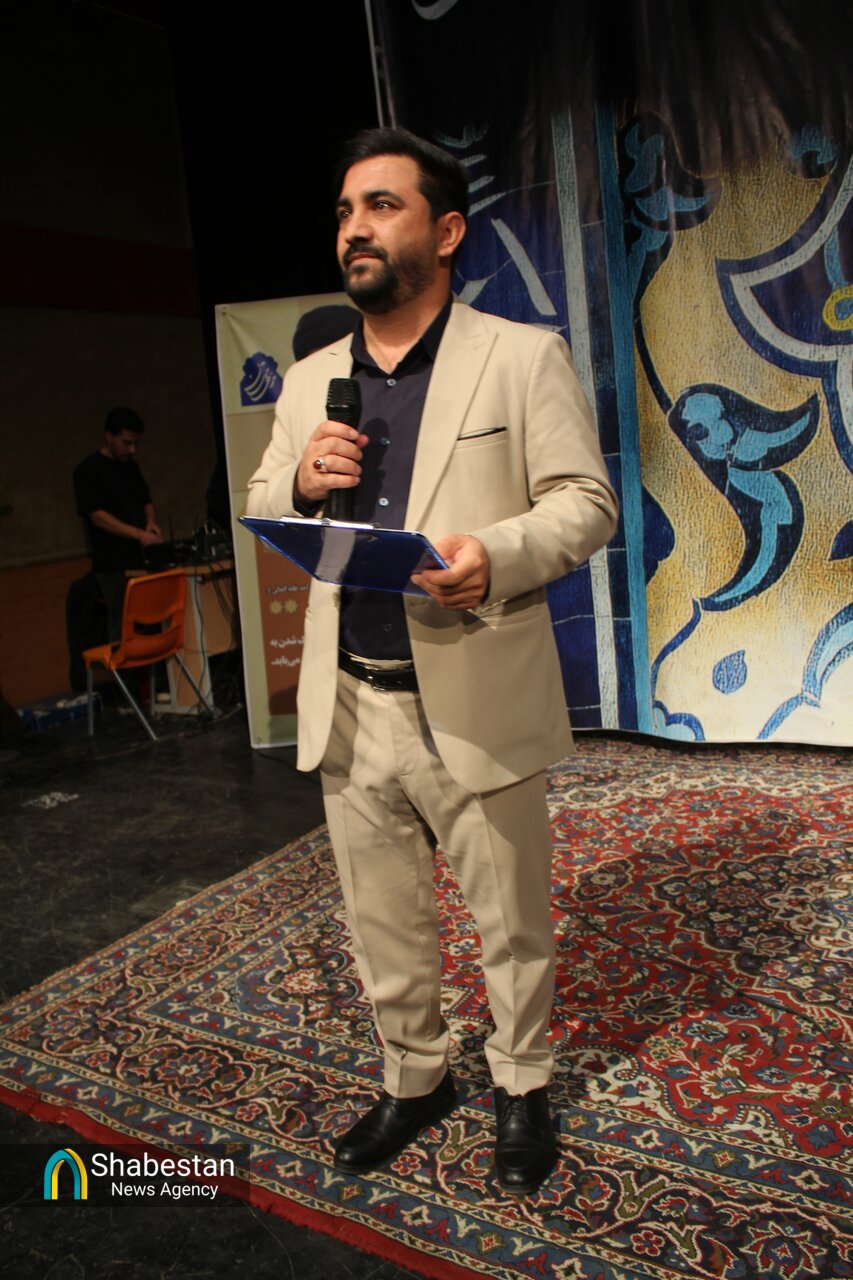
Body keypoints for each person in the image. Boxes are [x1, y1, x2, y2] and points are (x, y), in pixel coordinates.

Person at [246, 127, 618, 1194]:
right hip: (349, 698)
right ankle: (415, 1078)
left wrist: (495, 554)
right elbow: (263, 499)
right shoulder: (310, 379)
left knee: (511, 918)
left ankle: (521, 1083)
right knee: (382, 917)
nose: (353, 229)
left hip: (473, 682)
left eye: (382, 206)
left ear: (446, 231)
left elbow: (584, 503)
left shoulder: (519, 356)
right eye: (344, 210)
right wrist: (301, 484)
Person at [72, 407, 162, 641]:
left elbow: (145, 498)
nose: (132, 450)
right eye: (126, 443)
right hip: (111, 564)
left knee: (152, 622)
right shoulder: (87, 471)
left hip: (140, 559)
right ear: (108, 436)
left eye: (135, 444)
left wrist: (150, 522)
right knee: (120, 627)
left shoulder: (130, 467)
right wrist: (138, 534)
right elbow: (97, 516)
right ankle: (122, 666)